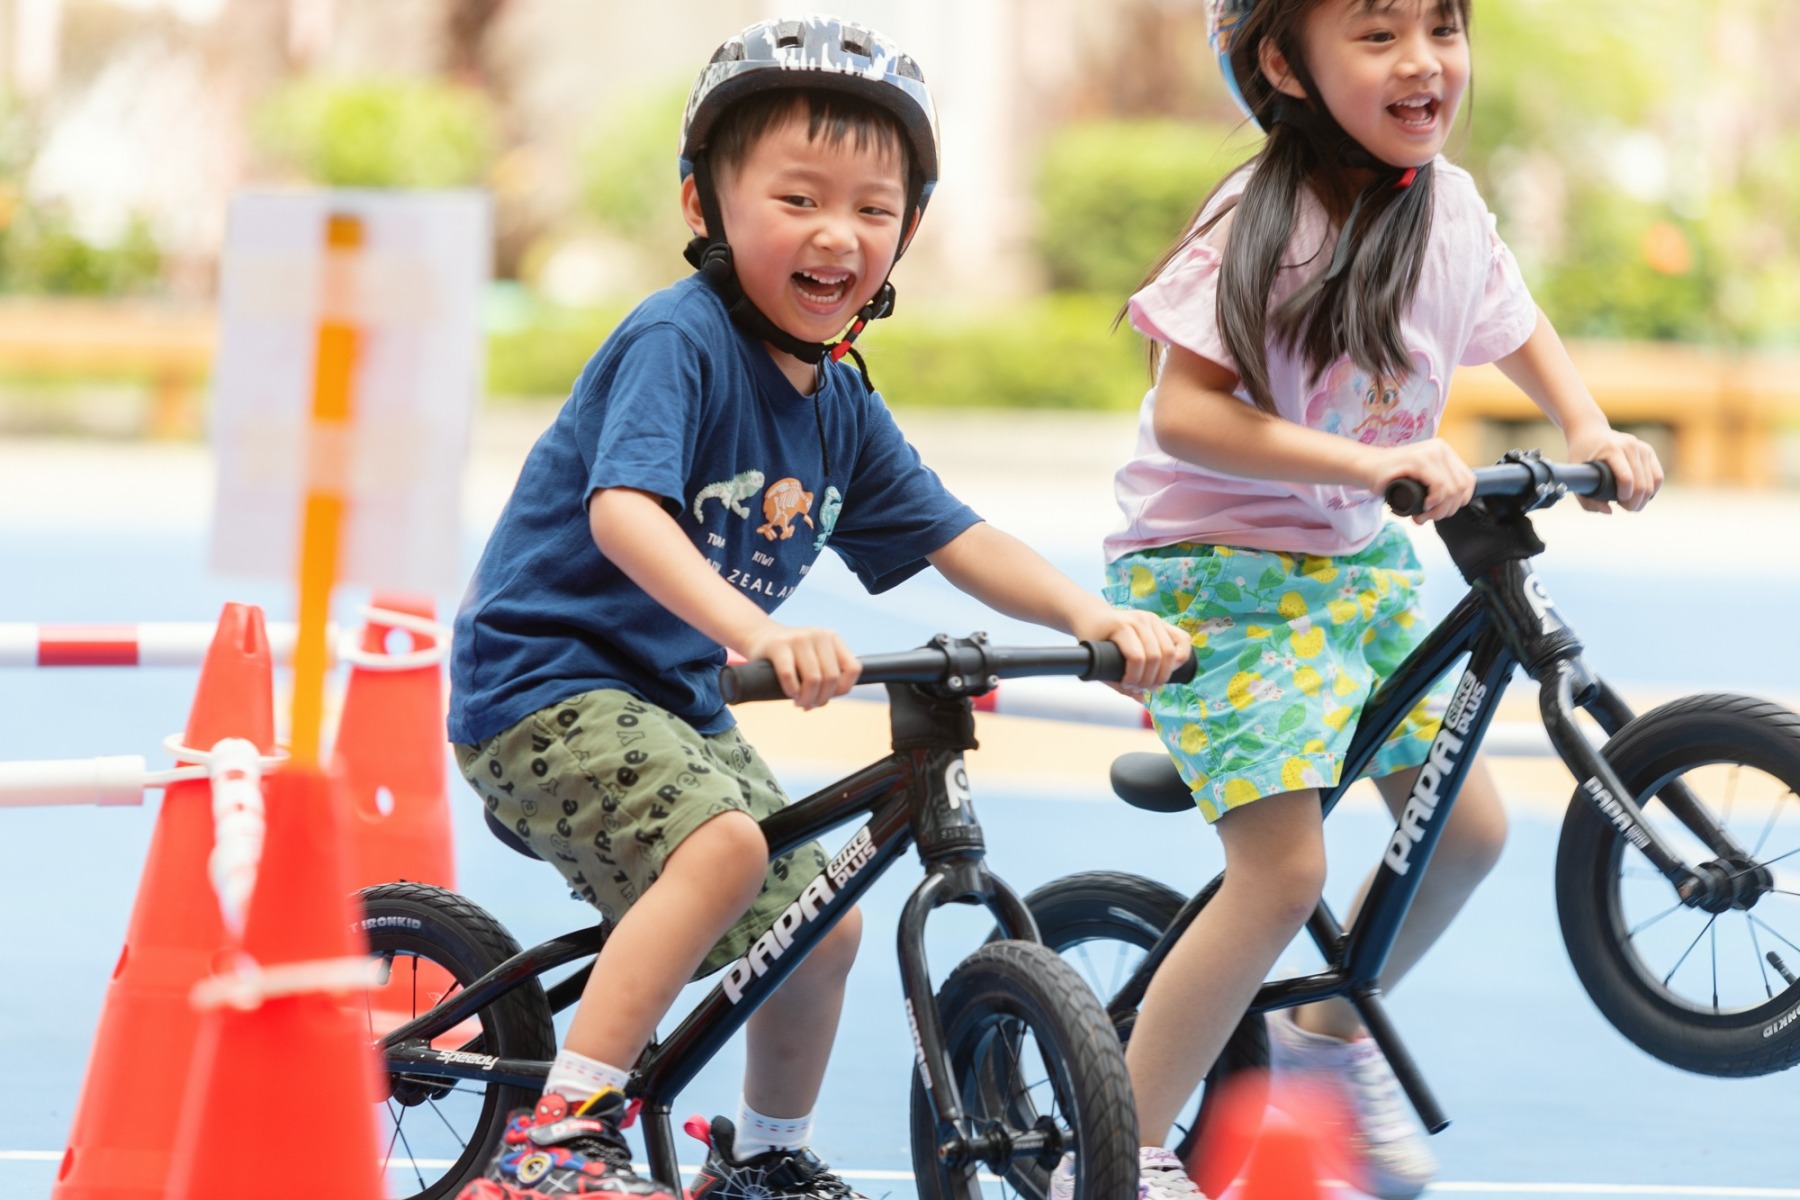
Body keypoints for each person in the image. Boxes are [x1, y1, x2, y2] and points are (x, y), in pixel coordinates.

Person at [446, 16, 1191, 1200]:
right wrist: (760, 632)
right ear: (704, 204)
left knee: (824, 922)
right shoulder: (677, 341)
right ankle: (555, 1141)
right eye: (797, 198)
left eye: (872, 209)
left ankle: (765, 1156)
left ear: (905, 235)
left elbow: (955, 535)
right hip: (545, 684)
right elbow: (624, 515)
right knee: (726, 850)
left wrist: (1087, 617)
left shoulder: (839, 399)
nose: (836, 232)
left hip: (676, 703)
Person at [1087, 2, 1665, 1198]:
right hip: (1215, 577)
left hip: (1352, 563)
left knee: (1469, 830)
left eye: (1442, 27)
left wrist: (1587, 426)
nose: (1423, 61)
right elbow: (1184, 413)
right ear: (1285, 63)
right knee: (1283, 874)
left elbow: (1513, 319)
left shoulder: (1446, 204)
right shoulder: (1262, 220)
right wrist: (1364, 462)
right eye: (1378, 33)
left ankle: (1324, 1042)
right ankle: (1116, 1154)